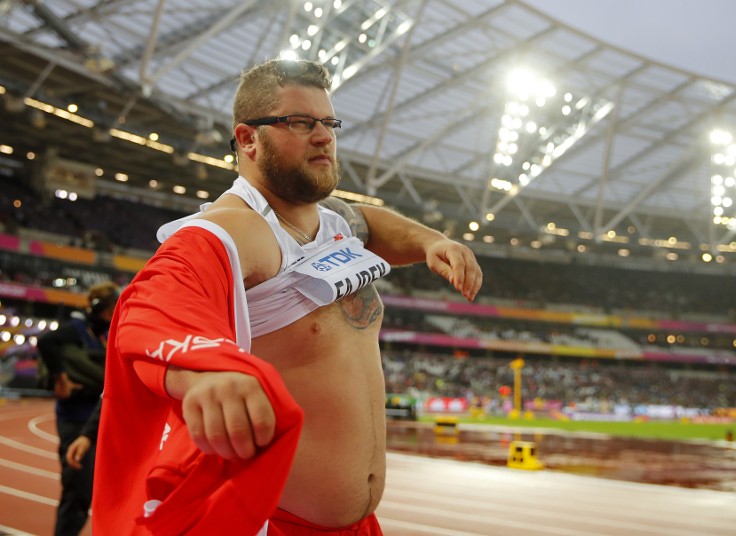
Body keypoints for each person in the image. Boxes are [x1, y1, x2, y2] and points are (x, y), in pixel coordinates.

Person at [93, 58, 482, 535]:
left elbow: (370, 221)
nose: (323, 137)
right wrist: (201, 373)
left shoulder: (331, 221)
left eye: (329, 123)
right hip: (278, 524)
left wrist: (430, 243)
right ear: (247, 138)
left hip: (360, 526)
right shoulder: (235, 229)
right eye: (300, 123)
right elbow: (154, 301)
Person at [36, 281, 119, 536]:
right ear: (99, 308)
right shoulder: (77, 329)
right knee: (77, 493)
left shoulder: (102, 335)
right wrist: (61, 378)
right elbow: (46, 342)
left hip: (97, 419)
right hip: (75, 420)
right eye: (110, 309)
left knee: (95, 490)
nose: (112, 314)